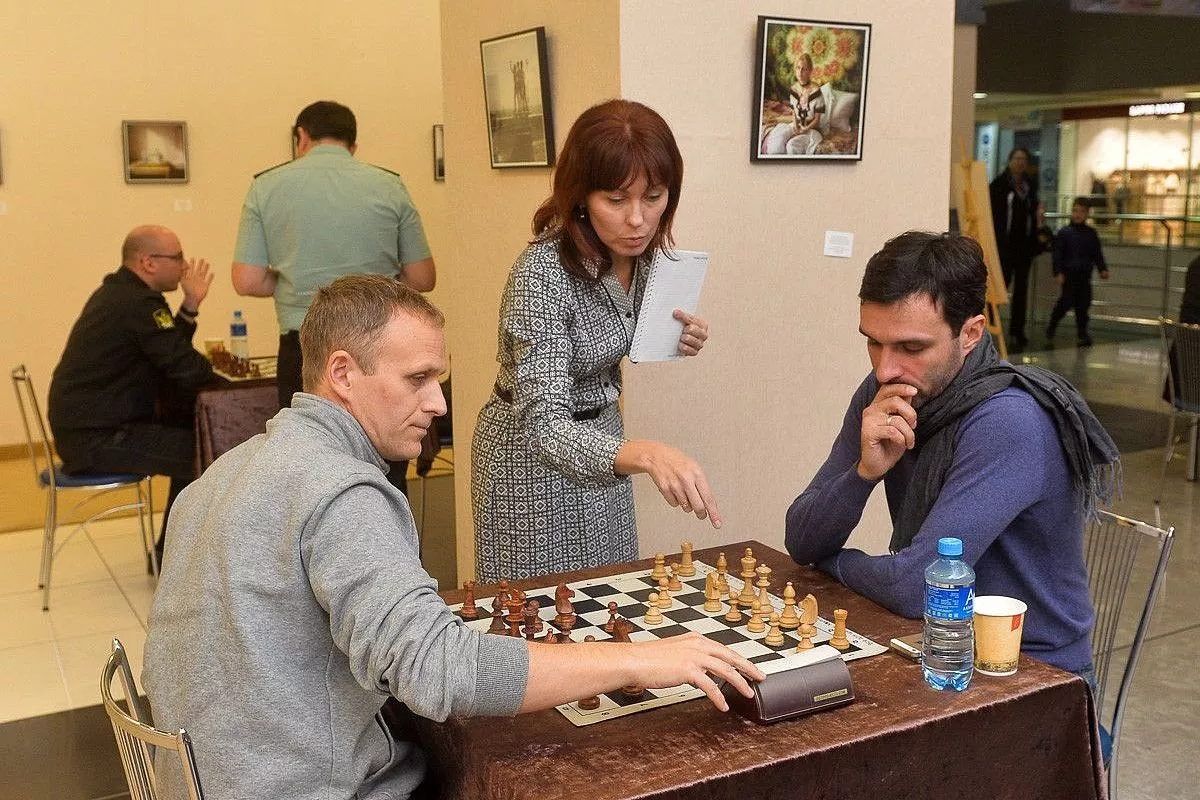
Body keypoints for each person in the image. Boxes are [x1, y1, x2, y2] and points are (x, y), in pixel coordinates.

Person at [142, 275, 763, 800]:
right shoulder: (341, 491)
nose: (439, 403)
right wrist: (637, 659)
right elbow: (436, 670)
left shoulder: (218, 475)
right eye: (417, 379)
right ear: (342, 374)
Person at [784, 231, 1119, 676]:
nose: (884, 368)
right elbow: (801, 540)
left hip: (1034, 673)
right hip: (936, 645)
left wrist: (834, 562)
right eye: (873, 342)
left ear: (971, 334)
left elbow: (916, 586)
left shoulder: (1009, 419)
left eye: (911, 347)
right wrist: (863, 474)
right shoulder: (884, 393)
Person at [471, 99, 719, 583]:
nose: (637, 220)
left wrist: (678, 337)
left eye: (653, 197)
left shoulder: (645, 256)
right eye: (616, 200)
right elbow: (545, 426)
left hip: (604, 439)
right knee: (539, 613)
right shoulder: (541, 274)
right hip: (528, 461)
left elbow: (617, 335)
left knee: (612, 596)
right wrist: (648, 454)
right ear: (581, 196)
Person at [231, 99, 436, 495]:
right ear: (353, 145)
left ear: (301, 137)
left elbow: (247, 280)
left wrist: (293, 284)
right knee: (386, 468)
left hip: (305, 347)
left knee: (307, 466)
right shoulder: (388, 184)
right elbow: (422, 277)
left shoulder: (266, 186)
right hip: (380, 343)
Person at [48, 225, 214, 568]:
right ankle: (173, 561)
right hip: (97, 439)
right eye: (178, 257)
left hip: (88, 431)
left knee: (196, 442)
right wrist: (233, 390)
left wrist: (190, 307)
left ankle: (172, 555)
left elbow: (166, 354)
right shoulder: (137, 303)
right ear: (148, 262)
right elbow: (184, 366)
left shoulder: (123, 294)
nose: (185, 266)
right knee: (202, 451)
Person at [989, 147, 1042, 352]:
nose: (1020, 162)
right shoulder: (999, 185)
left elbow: (1033, 213)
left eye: (1024, 159)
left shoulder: (1029, 186)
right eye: (1017, 158)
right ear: (1010, 161)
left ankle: (1017, 330)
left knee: (1021, 291)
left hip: (1024, 248)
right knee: (999, 286)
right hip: (1004, 247)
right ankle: (991, 327)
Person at [1047, 197, 1109, 348]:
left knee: (1083, 305)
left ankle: (1082, 333)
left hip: (1084, 275)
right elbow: (1058, 255)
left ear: (1087, 213)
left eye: (1081, 211)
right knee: (1065, 303)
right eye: (1075, 211)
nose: (1078, 214)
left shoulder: (1091, 234)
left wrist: (1102, 268)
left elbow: (1097, 254)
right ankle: (1052, 326)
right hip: (1069, 275)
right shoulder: (1064, 233)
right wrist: (1058, 272)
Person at [760, 53, 825, 156]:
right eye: (798, 68)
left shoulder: (816, 91)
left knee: (791, 146)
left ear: (810, 70)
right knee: (778, 140)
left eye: (804, 69)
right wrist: (795, 125)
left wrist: (804, 129)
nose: (800, 72)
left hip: (811, 129)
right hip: (797, 126)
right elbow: (794, 112)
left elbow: (817, 121)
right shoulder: (794, 89)